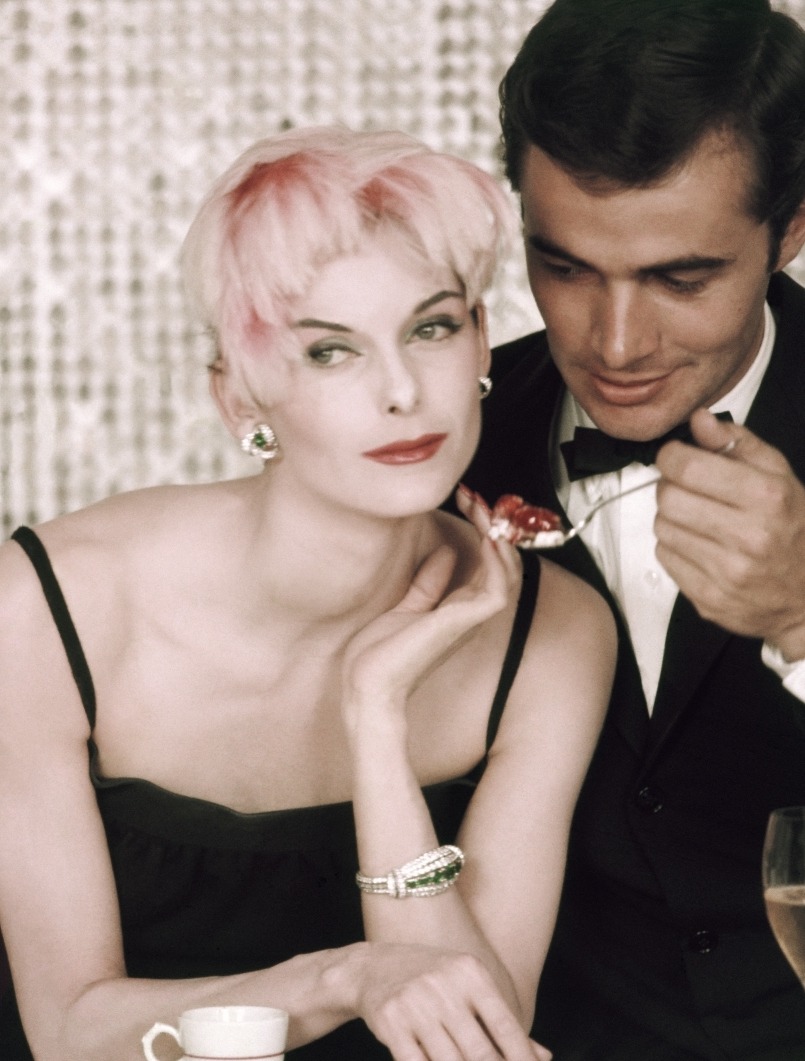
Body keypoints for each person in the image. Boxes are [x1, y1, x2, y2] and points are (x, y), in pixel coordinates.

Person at [0, 126, 615, 1060]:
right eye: (331, 353)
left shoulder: (554, 636)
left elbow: (481, 1035)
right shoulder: (44, 609)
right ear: (239, 397)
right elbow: (68, 1027)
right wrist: (342, 978)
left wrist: (376, 719)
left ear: (483, 340)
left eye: (431, 327)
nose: (402, 391)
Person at [460, 0, 805, 1057]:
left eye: (678, 277)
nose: (614, 342)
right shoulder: (436, 450)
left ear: (789, 230)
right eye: (564, 268)